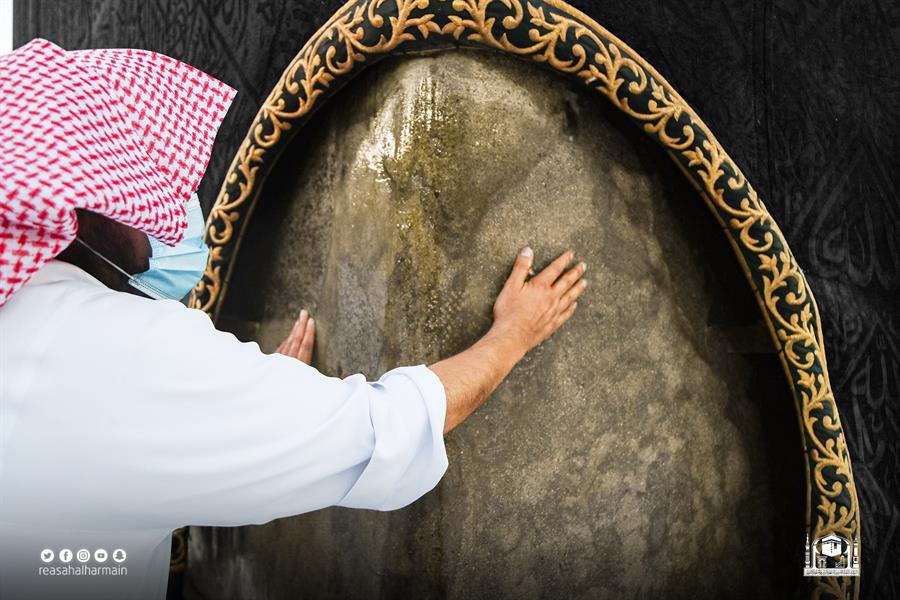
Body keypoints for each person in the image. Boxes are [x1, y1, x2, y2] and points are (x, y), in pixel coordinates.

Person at [0, 39, 588, 600]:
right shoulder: (120, 354)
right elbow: (378, 433)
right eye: (135, 184)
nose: (160, 211)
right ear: (80, 206)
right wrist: (512, 335)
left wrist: (241, 412)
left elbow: (84, 505)